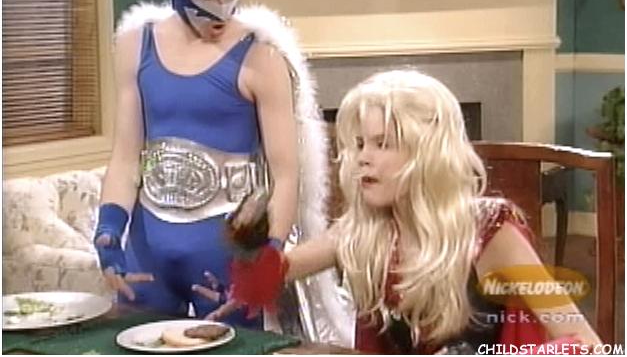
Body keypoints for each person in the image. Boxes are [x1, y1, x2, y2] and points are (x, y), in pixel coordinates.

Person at [92, 0, 353, 340]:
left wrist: (270, 254)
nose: (222, 9)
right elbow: (125, 157)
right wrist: (107, 231)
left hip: (227, 258)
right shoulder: (135, 45)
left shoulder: (262, 57)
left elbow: (286, 173)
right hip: (147, 251)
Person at [228, 69, 603, 353]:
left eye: (383, 144)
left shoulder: (490, 231)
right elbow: (269, 277)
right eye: (360, 144)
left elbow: (586, 344)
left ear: (428, 155)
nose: (363, 158)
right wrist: (246, 242)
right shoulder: (362, 230)